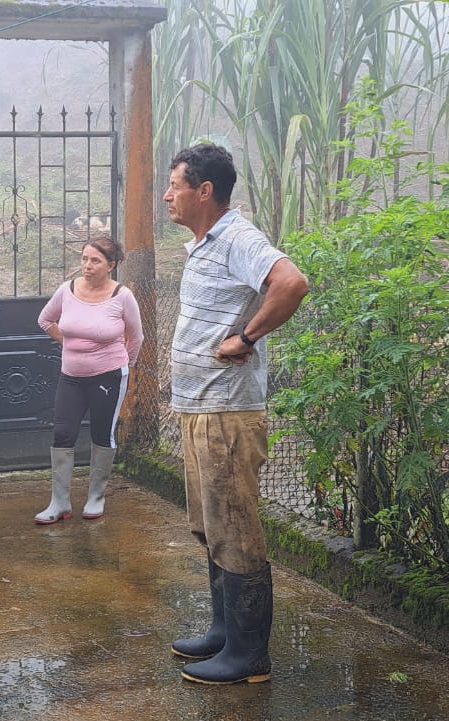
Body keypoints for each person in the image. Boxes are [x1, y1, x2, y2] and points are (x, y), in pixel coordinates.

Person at [163, 143, 309, 685]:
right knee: (211, 524)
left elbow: (292, 283)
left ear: (204, 191)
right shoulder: (206, 244)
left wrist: (245, 338)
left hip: (227, 411)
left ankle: (249, 656)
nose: (167, 195)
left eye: (175, 185)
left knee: (236, 526)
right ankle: (224, 634)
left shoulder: (238, 238)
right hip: (201, 408)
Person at [34, 237, 144, 524]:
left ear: (111, 265)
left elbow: (136, 336)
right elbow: (45, 321)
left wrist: (126, 364)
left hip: (109, 376)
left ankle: (96, 497)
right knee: (63, 433)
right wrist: (69, 344)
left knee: (102, 433)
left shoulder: (122, 296)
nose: (87, 265)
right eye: (84, 258)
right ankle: (59, 502)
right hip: (71, 377)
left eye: (95, 260)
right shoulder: (67, 290)